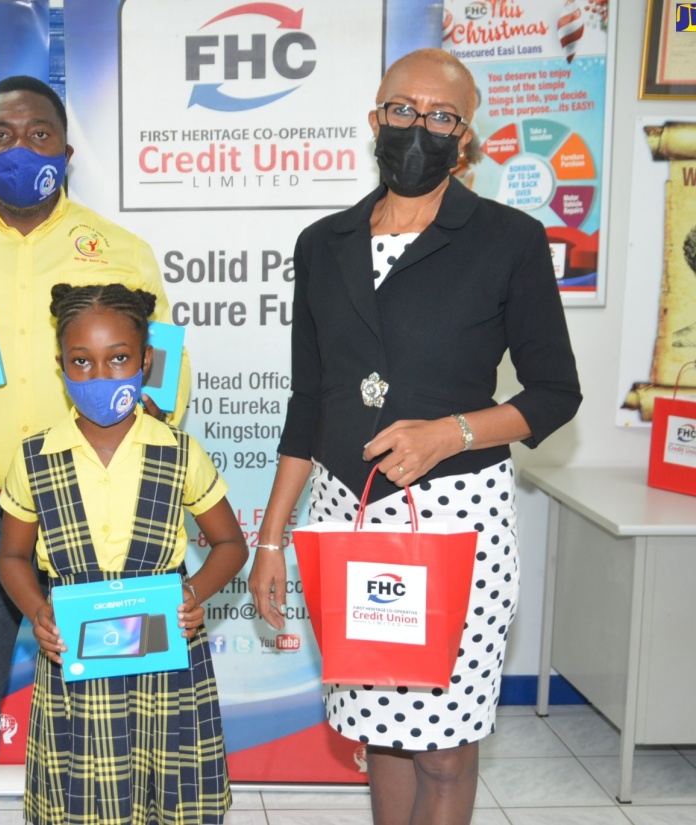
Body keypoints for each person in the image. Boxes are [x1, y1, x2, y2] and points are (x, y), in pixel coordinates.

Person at [246, 48, 581, 825]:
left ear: (465, 139)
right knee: (378, 732)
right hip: (349, 514)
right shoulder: (323, 243)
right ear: (375, 118)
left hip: (457, 518)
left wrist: (452, 433)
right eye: (403, 109)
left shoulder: (509, 240)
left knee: (444, 742)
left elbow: (555, 393)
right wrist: (270, 542)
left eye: (441, 116)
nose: (419, 127)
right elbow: (310, 400)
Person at [0, 75, 188, 825]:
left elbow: (165, 385)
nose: (21, 148)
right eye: (3, 136)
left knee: (105, 686)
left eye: (39, 134)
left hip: (88, 503)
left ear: (68, 151)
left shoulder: (123, 251)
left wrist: (145, 398)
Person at [0, 283, 246, 825]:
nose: (101, 376)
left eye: (119, 359)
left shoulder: (178, 451)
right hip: (75, 660)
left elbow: (230, 544)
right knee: (85, 800)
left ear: (145, 361)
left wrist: (192, 593)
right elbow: (12, 557)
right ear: (60, 365)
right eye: (81, 362)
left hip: (167, 656)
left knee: (171, 792)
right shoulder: (35, 458)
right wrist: (37, 609)